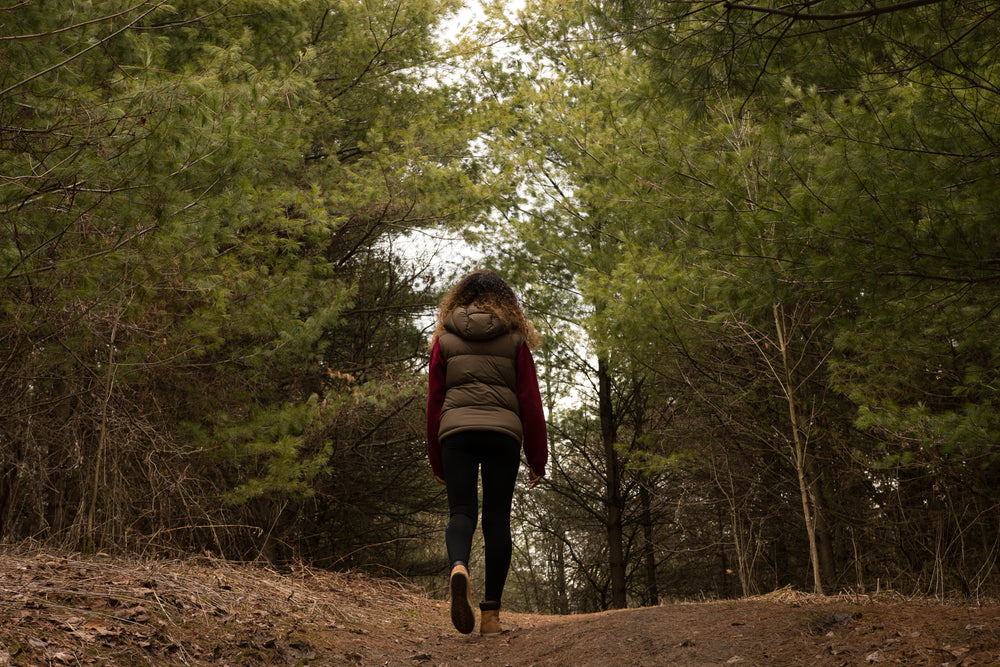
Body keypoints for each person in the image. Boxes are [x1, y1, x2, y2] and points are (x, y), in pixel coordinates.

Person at [426, 269, 548, 636]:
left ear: (458, 298)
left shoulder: (446, 337)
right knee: (497, 520)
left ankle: (459, 566)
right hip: (502, 435)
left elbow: (435, 400)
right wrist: (538, 457)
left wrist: (436, 455)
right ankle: (491, 616)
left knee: (461, 512)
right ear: (504, 299)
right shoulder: (514, 339)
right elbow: (530, 401)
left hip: (456, 434)